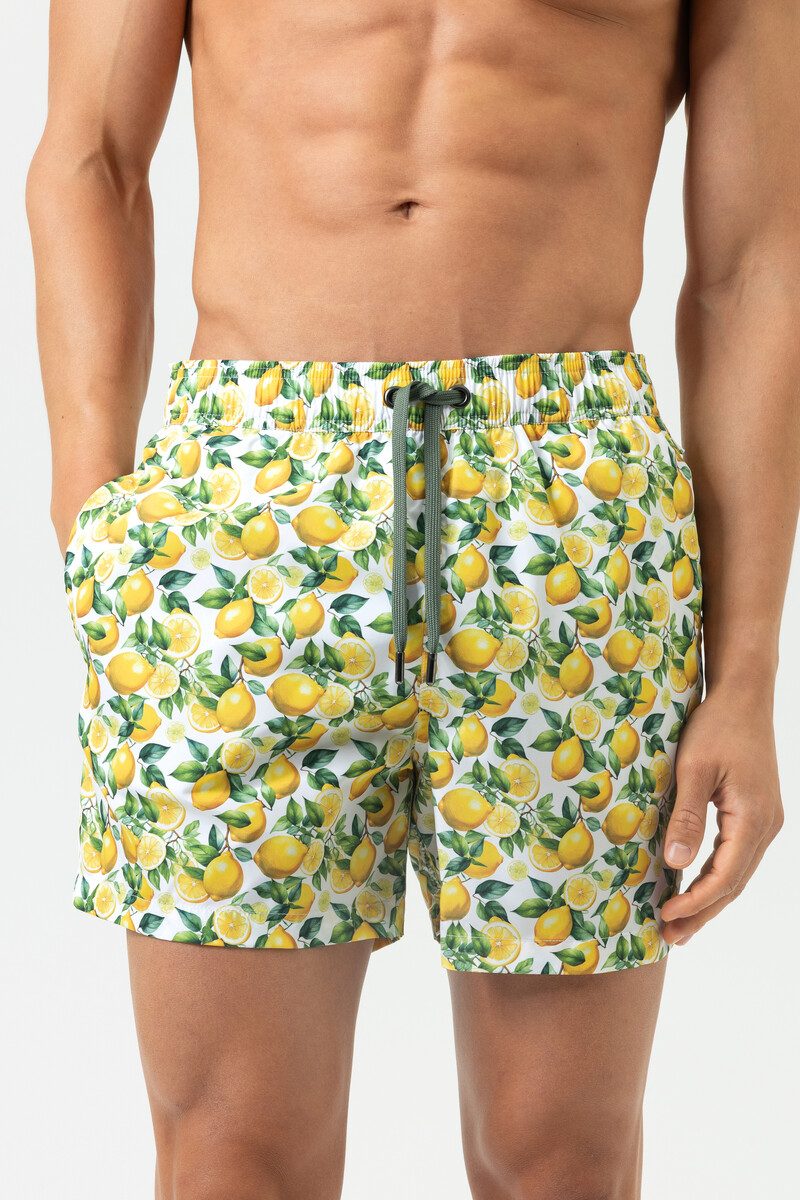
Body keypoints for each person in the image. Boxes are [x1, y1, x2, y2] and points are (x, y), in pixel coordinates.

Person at [27, 2, 796, 1197]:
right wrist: (95, 512)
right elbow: (90, 157)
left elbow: (753, 262)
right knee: (232, 1152)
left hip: (568, 524)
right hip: (247, 507)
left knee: (560, 1160)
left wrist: (744, 677)